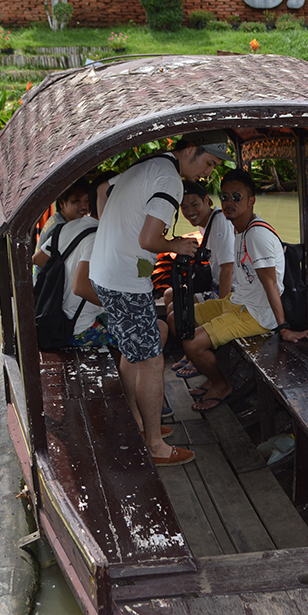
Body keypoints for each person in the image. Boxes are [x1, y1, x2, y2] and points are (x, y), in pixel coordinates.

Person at [88, 131, 232, 466]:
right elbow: (149, 238)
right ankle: (155, 445)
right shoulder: (170, 180)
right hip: (126, 280)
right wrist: (177, 246)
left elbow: (101, 189)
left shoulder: (149, 165)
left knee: (132, 351)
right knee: (152, 360)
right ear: (192, 150)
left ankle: (140, 425)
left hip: (105, 272)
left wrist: (114, 233)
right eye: (209, 163)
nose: (208, 172)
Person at [170, 169, 308, 412]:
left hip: (256, 314)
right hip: (237, 302)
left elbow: (270, 283)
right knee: (177, 318)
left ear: (251, 200)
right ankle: (211, 374)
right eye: (225, 197)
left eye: (236, 197)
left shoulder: (257, 234)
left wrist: (284, 329)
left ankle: (221, 384)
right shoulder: (239, 228)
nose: (229, 203)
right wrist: (223, 304)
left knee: (192, 344)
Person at [32, 179, 115, 348]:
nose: (83, 206)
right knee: (140, 337)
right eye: (77, 201)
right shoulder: (96, 238)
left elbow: (36, 260)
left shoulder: (66, 227)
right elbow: (80, 287)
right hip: (75, 328)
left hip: (54, 315)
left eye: (85, 201)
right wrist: (116, 303)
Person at [165, 180, 234, 378]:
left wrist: (222, 309)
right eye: (184, 207)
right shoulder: (207, 223)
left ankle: (196, 353)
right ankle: (191, 352)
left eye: (194, 205)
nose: (189, 212)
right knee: (171, 296)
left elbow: (227, 269)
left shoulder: (220, 222)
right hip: (214, 285)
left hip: (230, 291)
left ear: (207, 201)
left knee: (174, 316)